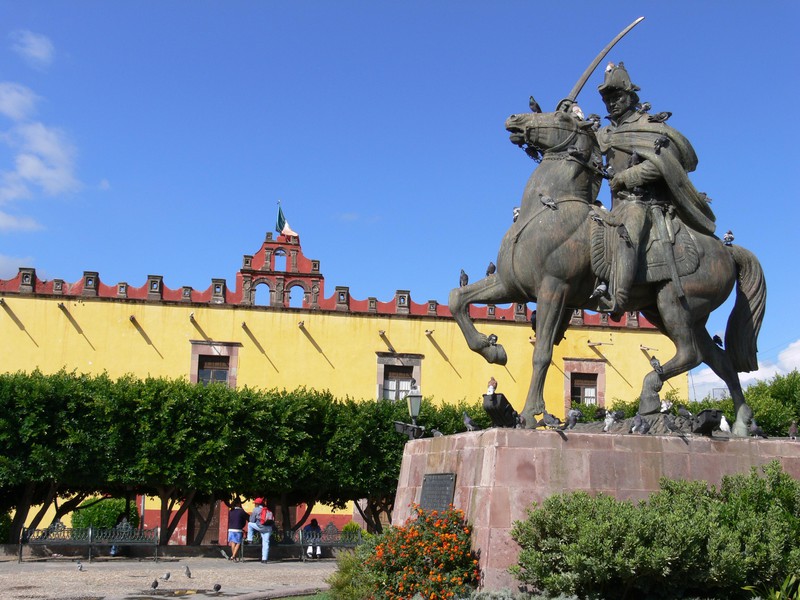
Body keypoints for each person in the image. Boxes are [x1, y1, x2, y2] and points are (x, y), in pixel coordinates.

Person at [593, 62, 716, 313]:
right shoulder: (605, 133)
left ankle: (619, 297)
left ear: (631, 97)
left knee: (629, 229)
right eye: (607, 100)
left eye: (617, 97)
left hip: (644, 203)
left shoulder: (649, 126)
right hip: (616, 205)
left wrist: (626, 176)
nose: (612, 103)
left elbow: (663, 164)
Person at [246, 497, 274, 563]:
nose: (254, 504)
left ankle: (250, 539)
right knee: (266, 543)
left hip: (261, 527)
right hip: (268, 528)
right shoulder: (267, 509)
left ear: (257, 504)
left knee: (249, 524)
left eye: (255, 503)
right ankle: (264, 559)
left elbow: (252, 520)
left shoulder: (256, 509)